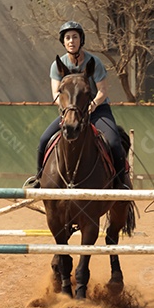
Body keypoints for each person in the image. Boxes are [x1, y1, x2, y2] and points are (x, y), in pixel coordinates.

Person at [26, 21, 128, 189]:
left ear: (81, 40)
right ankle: (38, 179)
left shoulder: (94, 62)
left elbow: (103, 91)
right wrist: (69, 110)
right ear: (63, 42)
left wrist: (92, 106)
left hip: (97, 110)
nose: (71, 41)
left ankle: (120, 184)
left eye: (75, 37)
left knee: (114, 142)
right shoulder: (57, 65)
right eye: (67, 38)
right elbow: (56, 95)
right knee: (44, 139)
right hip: (71, 112)